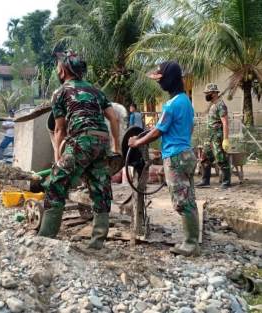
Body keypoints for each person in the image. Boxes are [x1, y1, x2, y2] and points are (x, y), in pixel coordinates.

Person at [37, 50, 120, 251]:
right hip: (102, 141)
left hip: (81, 140)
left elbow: (59, 128)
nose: (57, 69)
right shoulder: (96, 91)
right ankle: (97, 242)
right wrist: (116, 146)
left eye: (58, 67)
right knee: (100, 188)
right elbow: (114, 119)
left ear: (64, 70)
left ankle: (46, 239)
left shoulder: (60, 92)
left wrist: (57, 156)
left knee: (56, 183)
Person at [128, 61, 200, 257]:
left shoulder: (171, 104)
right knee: (189, 198)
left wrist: (136, 143)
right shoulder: (186, 101)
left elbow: (158, 131)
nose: (159, 84)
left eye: (161, 80)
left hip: (175, 157)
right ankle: (192, 239)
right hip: (187, 153)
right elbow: (185, 128)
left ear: (169, 79)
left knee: (182, 201)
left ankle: (191, 243)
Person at [196, 83, 231, 189]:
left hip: (217, 137)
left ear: (215, 93)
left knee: (221, 159)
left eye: (208, 93)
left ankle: (226, 182)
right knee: (205, 159)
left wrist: (225, 139)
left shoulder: (221, 105)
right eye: (206, 93)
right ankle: (205, 181)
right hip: (209, 137)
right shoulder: (213, 105)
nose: (206, 95)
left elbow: (225, 122)